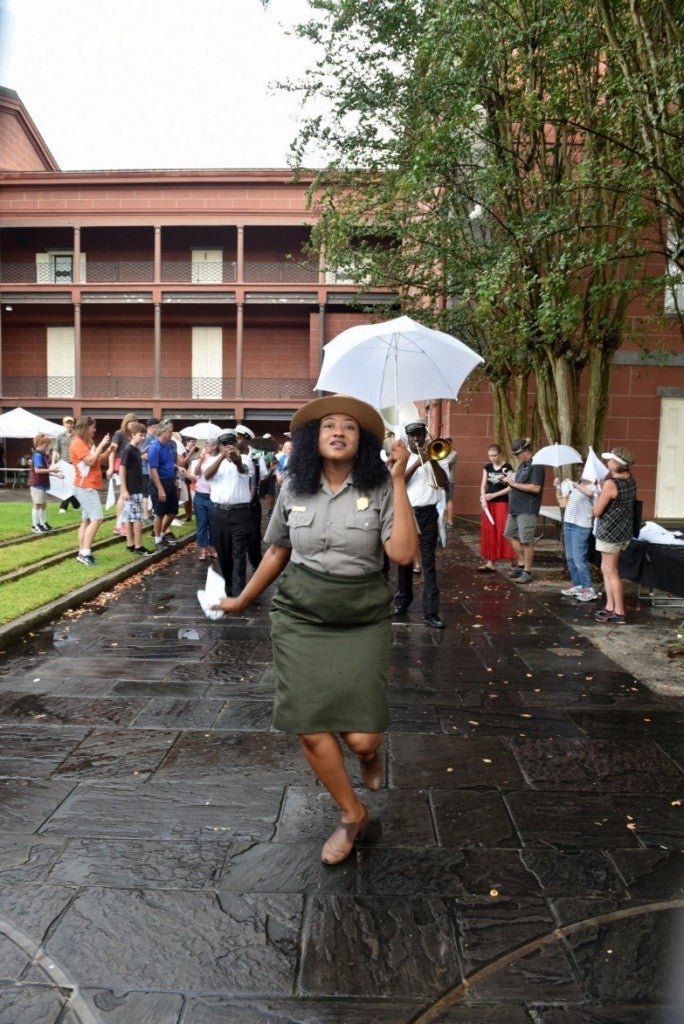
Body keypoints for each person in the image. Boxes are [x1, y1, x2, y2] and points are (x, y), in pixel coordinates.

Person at [211, 395, 418, 865]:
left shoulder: (384, 485)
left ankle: (367, 758)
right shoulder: (295, 487)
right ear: (314, 439)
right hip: (301, 613)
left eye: (349, 426)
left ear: (362, 441)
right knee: (310, 726)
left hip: (362, 615)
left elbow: (403, 556)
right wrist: (244, 599)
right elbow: (278, 551)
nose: (338, 431)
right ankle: (351, 815)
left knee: (363, 738)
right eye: (328, 426)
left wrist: (401, 480)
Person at [394, 419, 449, 629]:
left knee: (429, 562)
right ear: (407, 437)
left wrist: (431, 461)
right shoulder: (403, 458)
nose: (417, 438)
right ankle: (402, 601)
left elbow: (443, 482)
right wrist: (417, 463)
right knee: (405, 560)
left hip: (428, 513)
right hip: (406, 512)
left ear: (425, 436)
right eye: (413, 435)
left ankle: (431, 611)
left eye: (420, 434)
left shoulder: (437, 454)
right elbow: (398, 481)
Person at [204, 429, 254, 595]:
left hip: (240, 513)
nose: (228, 447)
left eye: (231, 443)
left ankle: (239, 592)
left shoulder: (245, 458)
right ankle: (228, 587)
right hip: (219, 513)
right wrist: (221, 457)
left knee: (239, 554)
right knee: (224, 554)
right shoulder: (212, 460)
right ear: (219, 446)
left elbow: (243, 470)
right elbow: (207, 475)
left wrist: (236, 460)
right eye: (224, 444)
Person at [594, 447, 637, 624]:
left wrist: (598, 493)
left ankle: (618, 611)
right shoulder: (631, 480)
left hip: (609, 533)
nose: (607, 463)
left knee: (611, 572)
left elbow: (597, 511)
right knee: (608, 570)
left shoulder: (611, 484)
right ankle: (609, 606)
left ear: (617, 464)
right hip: (623, 531)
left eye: (610, 460)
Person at [70, 416, 115, 566]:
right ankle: (85, 553)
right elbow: (89, 461)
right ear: (85, 427)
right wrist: (101, 445)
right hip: (85, 486)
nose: (95, 430)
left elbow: (96, 461)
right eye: (93, 427)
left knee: (87, 519)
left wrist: (108, 451)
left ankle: (83, 551)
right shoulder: (78, 443)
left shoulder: (85, 442)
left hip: (86, 485)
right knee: (97, 518)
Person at [503, 438, 545, 584]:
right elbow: (517, 483)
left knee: (526, 541)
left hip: (527, 508)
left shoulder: (536, 464)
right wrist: (509, 480)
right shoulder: (523, 465)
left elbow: (535, 488)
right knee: (509, 534)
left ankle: (527, 571)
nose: (517, 457)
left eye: (518, 454)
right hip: (515, 507)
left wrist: (513, 483)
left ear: (526, 451)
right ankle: (521, 563)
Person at [554, 470, 598, 601]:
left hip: (581, 525)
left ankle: (588, 588)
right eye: (578, 471)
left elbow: (589, 493)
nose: (579, 473)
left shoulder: (594, 486)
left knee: (579, 558)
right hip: (569, 523)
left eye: (582, 470)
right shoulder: (577, 485)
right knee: (570, 557)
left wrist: (573, 484)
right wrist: (558, 487)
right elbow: (564, 501)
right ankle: (577, 584)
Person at [118, 421, 154, 556]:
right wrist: (124, 489)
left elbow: (135, 459)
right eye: (140, 435)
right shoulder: (128, 449)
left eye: (144, 435)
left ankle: (130, 544)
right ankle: (138, 546)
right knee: (137, 518)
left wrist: (142, 452)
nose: (143, 438)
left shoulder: (135, 450)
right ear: (132, 435)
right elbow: (122, 470)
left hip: (135, 488)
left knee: (129, 517)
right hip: (133, 489)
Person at [477, 443, 514, 571]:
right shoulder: (487, 467)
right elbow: (483, 485)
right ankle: (490, 562)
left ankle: (513, 561)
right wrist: (483, 499)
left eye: (494, 455)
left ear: (500, 454)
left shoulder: (507, 467)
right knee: (489, 531)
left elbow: (510, 486)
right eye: (490, 456)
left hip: (501, 502)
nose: (492, 458)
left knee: (503, 530)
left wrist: (493, 495)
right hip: (488, 504)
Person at [235, 423, 267, 571]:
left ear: (246, 440)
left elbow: (262, 477)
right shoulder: (225, 455)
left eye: (239, 438)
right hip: (234, 504)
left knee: (254, 537)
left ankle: (256, 564)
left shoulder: (256, 456)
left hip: (251, 504)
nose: (236, 441)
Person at [147, 419, 180, 550]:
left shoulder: (170, 445)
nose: (172, 434)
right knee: (160, 513)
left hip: (170, 481)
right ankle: (157, 539)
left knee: (173, 511)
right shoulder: (155, 447)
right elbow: (153, 469)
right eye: (170, 431)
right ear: (162, 431)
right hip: (159, 482)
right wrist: (160, 489)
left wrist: (177, 470)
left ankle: (160, 532)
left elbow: (169, 463)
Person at [185, 437, 218, 561]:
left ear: (214, 447)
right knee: (202, 523)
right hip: (200, 495)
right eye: (203, 451)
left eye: (208, 445)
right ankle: (203, 548)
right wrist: (200, 461)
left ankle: (213, 547)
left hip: (212, 496)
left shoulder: (216, 460)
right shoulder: (198, 462)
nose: (205, 450)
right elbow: (197, 474)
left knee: (212, 524)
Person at [108, 413, 139, 536]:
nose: (133, 426)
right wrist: (110, 467)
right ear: (126, 423)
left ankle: (124, 523)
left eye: (135, 424)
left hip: (131, 467)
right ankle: (118, 524)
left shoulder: (132, 435)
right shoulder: (119, 434)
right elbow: (112, 451)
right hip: (121, 465)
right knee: (123, 494)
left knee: (127, 495)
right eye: (132, 423)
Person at [29, 433, 63, 533]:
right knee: (37, 504)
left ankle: (43, 523)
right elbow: (38, 471)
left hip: (42, 483)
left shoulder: (42, 455)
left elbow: (44, 470)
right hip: (37, 484)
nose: (47, 447)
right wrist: (52, 471)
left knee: (43, 505)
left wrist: (55, 474)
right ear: (41, 444)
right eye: (46, 445)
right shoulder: (38, 455)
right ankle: (35, 525)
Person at [50, 415, 80, 512]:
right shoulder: (60, 436)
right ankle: (76, 504)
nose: (69, 425)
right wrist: (53, 462)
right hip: (64, 463)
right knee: (66, 485)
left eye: (71, 423)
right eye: (67, 423)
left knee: (71, 485)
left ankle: (64, 506)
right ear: (64, 424)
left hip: (74, 464)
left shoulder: (77, 436)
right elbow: (55, 450)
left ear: (73, 424)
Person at [139, 417, 160, 522]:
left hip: (149, 470)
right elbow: (140, 453)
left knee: (150, 492)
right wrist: (152, 457)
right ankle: (146, 515)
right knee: (146, 493)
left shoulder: (153, 438)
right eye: (158, 427)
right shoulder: (147, 438)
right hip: (144, 470)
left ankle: (150, 513)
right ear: (152, 427)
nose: (159, 429)